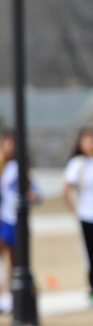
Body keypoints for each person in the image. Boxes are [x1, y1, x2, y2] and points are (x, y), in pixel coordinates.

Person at [0, 130, 41, 315]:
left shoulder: (21, 166)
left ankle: (11, 298)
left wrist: (34, 196)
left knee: (16, 262)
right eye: (8, 143)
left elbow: (31, 189)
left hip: (18, 220)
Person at [63, 127, 93, 306]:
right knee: (89, 254)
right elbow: (66, 190)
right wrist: (74, 211)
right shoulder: (78, 164)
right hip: (86, 215)